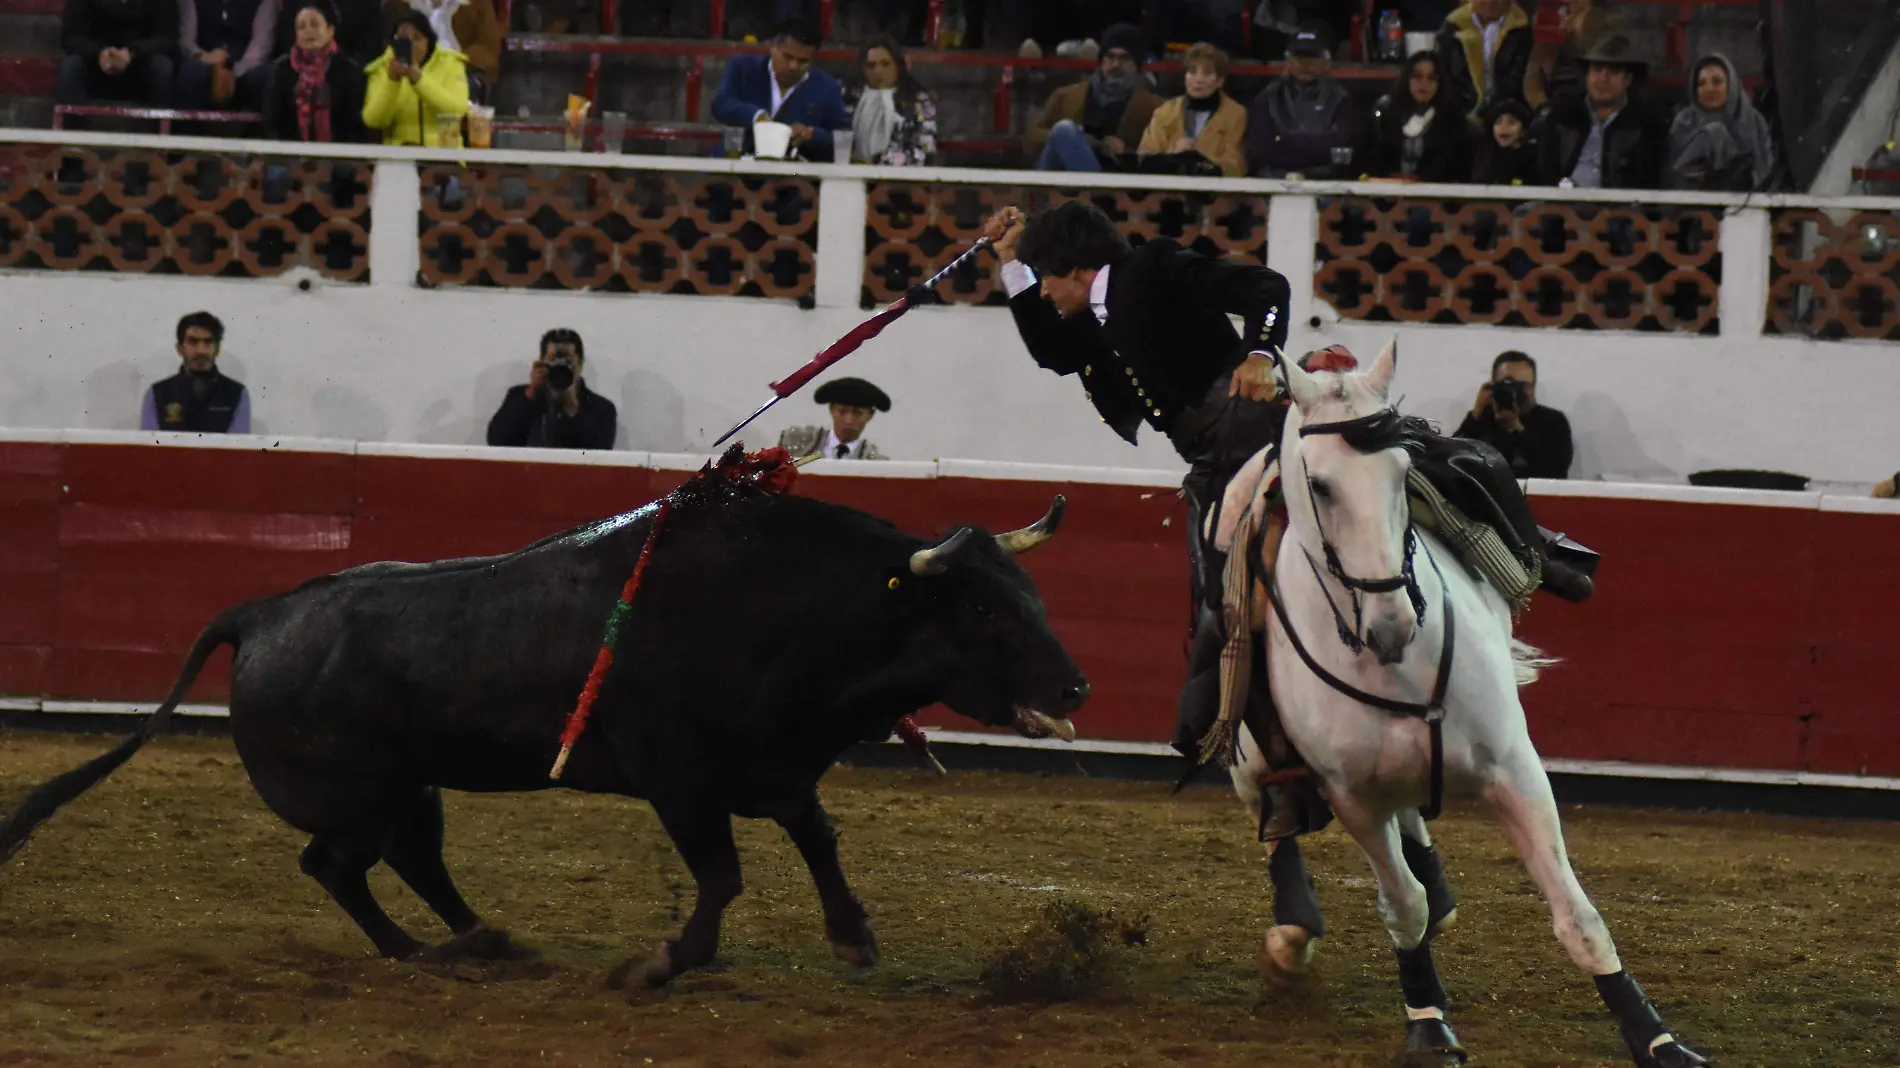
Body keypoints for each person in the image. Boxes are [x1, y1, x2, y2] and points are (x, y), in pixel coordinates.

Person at [1024, 22, 1161, 173]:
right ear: (1101, 60)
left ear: (1137, 65)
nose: (1115, 64)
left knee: (1064, 130)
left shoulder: (1153, 106)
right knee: (1064, 131)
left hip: (1115, 180)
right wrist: (1077, 140)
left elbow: (1162, 150)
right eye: (1110, 57)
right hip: (1064, 176)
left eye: (1125, 58)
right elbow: (1032, 136)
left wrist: (1127, 150)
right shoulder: (1066, 95)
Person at [1535, 35, 1667, 189]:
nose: (1603, 79)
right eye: (1596, 70)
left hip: (1620, 208)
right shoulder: (1562, 115)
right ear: (1587, 76)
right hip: (1561, 204)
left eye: (1613, 71)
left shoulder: (1647, 123)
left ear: (1627, 80)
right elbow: (1545, 169)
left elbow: (1649, 180)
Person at [711, 18, 850, 163]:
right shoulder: (743, 68)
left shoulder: (827, 88)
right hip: (735, 168)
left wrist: (811, 134)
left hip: (791, 176)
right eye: (787, 57)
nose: (793, 66)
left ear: (813, 58)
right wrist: (756, 116)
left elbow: (841, 137)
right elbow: (720, 103)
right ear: (772, 47)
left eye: (803, 61)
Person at [1243, 27, 1355, 179]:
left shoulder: (1340, 99)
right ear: (1287, 61)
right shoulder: (1268, 97)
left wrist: (1286, 138)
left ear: (1327, 62)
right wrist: (1313, 148)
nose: (1305, 64)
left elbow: (1340, 148)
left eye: (1313, 57)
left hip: (1325, 183)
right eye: (1298, 56)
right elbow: (1260, 149)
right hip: (1273, 181)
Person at [485, 329, 617, 451]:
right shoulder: (519, 396)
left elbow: (601, 451)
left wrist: (572, 409)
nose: (560, 366)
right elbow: (496, 441)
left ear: (580, 364)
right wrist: (530, 395)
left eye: (568, 361)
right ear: (542, 361)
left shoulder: (602, 408)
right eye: (553, 360)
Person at [1454, 350, 1572, 480]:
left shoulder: (1553, 421)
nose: (1516, 391)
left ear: (1533, 387)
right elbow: (1451, 461)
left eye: (1523, 385)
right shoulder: (1483, 419)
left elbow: (1556, 469)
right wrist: (1475, 414)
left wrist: (1517, 428)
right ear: (1494, 384)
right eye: (1508, 384)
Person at [1136, 40, 1247, 178]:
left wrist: (1196, 159)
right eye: (1193, 71)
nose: (1198, 79)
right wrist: (1172, 156)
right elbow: (1144, 156)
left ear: (1220, 81)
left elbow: (1236, 166)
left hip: (1214, 193)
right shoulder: (1164, 112)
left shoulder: (1236, 114)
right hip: (1167, 189)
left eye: (1207, 73)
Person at [1666, 53, 1774, 192]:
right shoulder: (1685, 120)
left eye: (1717, 82)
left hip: (1748, 204)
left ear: (1731, 84)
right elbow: (1672, 172)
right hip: (1692, 204)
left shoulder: (1753, 119)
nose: (1709, 89)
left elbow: (1765, 169)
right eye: (1701, 84)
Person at [262, 0, 366, 143]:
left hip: (341, 157)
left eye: (315, 25)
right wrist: (291, 162)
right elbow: (272, 124)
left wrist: (331, 162)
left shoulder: (348, 70)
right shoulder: (281, 70)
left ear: (330, 31)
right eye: (301, 27)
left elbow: (353, 127)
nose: (308, 31)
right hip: (289, 156)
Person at [361, 12, 468, 148]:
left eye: (417, 38)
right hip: (398, 155)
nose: (411, 45)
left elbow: (458, 110)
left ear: (429, 40)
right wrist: (392, 82)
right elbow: (372, 119)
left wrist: (419, 81)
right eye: (403, 39)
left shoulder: (451, 64)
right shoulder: (382, 68)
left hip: (444, 154)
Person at [1361, 50, 1468, 182]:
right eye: (1417, 76)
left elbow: (1454, 168)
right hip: (1385, 192)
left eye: (1431, 78)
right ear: (1406, 78)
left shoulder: (1452, 117)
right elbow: (1370, 158)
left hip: (1435, 195)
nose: (1424, 83)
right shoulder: (1383, 110)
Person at [140, 312, 252, 434]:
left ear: (217, 349)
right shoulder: (156, 394)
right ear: (179, 348)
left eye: (208, 342)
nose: (200, 350)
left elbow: (238, 449)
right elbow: (150, 448)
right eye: (193, 342)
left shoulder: (237, 394)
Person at [57, 0, 178, 109]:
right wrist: (100, 53)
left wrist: (131, 53)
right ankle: (73, 130)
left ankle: (161, 130)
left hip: (140, 66)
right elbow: (70, 38)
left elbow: (166, 38)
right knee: (71, 66)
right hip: (95, 68)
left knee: (162, 67)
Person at [381, 0, 501, 102]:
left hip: (460, 70)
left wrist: (451, 63)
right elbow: (386, 45)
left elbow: (488, 48)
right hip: (409, 69)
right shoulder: (397, 4)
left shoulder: (477, 4)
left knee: (465, 86)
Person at [844, 35, 937, 166]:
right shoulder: (850, 97)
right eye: (871, 65)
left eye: (885, 64)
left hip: (900, 181)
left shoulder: (919, 101)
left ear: (898, 65)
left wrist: (878, 161)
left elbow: (924, 151)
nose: (877, 71)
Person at [174, 0, 277, 111]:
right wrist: (206, 59)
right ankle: (183, 128)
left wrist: (233, 71)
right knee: (192, 72)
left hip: (244, 68)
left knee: (267, 77)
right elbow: (187, 42)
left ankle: (264, 128)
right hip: (205, 61)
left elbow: (260, 45)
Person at [1434, 0, 1531, 118]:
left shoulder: (1523, 29)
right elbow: (1442, 77)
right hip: (1459, 113)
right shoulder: (1451, 28)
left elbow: (1517, 80)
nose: (1490, 2)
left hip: (1508, 112)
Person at [1524, 0, 1619, 111]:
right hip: (1553, 109)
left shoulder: (1602, 23)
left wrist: (1575, 32)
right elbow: (1532, 86)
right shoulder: (1548, 39)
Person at [777, 378, 891, 460]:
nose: (849, 420)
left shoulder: (876, 463)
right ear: (831, 409)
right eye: (842, 411)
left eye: (858, 413)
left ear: (870, 415)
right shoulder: (796, 442)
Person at [1470, 98, 1537, 184]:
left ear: (1523, 131)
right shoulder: (1486, 156)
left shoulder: (1531, 158)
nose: (1503, 127)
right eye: (1498, 122)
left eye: (1511, 122)